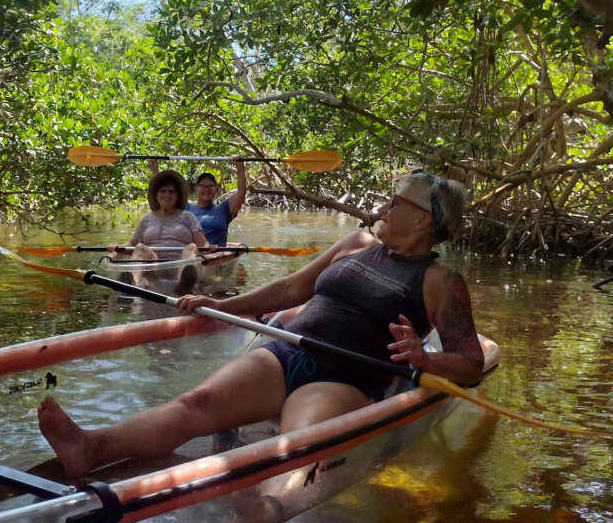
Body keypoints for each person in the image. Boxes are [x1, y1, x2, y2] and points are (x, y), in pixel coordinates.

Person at [39, 169, 485, 480]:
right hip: (286, 352)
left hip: (341, 378)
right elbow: (293, 289)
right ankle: (90, 447)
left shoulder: (441, 282)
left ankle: (268, 503)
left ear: (423, 219)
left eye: (395, 202)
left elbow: (470, 362)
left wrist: (424, 358)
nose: (383, 207)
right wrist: (224, 306)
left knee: (294, 447)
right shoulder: (357, 242)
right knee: (199, 402)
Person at [108, 169, 209, 293]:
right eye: (163, 191)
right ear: (156, 196)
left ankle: (184, 286)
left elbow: (203, 244)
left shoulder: (188, 217)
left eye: (171, 192)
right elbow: (131, 244)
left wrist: (211, 250)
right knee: (140, 247)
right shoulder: (147, 219)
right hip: (155, 267)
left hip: (180, 264)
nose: (167, 195)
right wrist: (116, 249)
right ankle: (131, 285)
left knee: (192, 247)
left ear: (177, 197)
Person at [187, 159, 248, 247]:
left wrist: (240, 169)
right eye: (203, 186)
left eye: (210, 186)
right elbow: (161, 197)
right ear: (196, 189)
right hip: (190, 254)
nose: (206, 189)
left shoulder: (224, 209)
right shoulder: (187, 208)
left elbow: (241, 193)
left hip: (215, 254)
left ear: (216, 190)